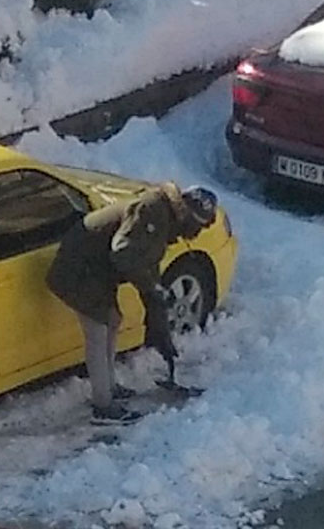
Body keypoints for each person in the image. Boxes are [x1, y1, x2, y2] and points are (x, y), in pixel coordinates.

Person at [46, 181, 218, 424]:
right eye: (197, 226)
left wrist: (160, 327)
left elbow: (148, 268)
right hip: (77, 270)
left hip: (96, 272)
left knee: (113, 320)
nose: (196, 234)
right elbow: (122, 253)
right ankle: (103, 406)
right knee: (98, 330)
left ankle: (110, 386)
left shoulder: (165, 219)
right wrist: (150, 287)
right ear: (188, 216)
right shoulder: (152, 212)